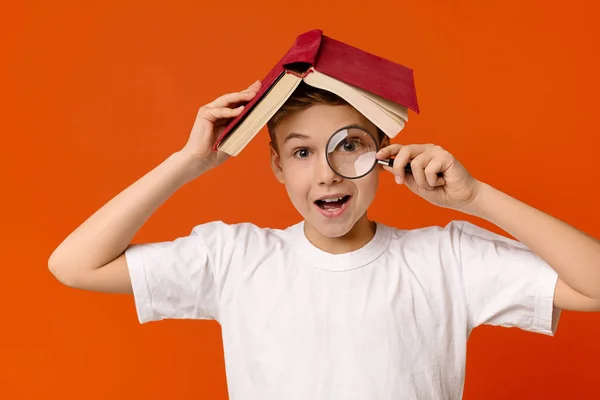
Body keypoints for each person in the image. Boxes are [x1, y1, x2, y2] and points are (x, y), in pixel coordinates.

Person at [48, 79, 600, 399]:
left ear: (382, 155)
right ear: (277, 167)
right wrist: (187, 162)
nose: (328, 173)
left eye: (349, 146)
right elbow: (74, 265)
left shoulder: (445, 259)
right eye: (302, 152)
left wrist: (476, 198)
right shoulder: (236, 258)